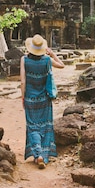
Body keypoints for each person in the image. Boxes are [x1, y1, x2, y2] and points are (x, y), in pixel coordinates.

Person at [20, 34, 65, 169]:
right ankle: (44, 155)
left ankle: (37, 154)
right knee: (44, 125)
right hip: (45, 99)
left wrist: (23, 97)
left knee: (33, 126)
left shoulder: (24, 60)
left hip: (30, 99)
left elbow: (23, 81)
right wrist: (52, 54)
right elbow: (62, 66)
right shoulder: (47, 60)